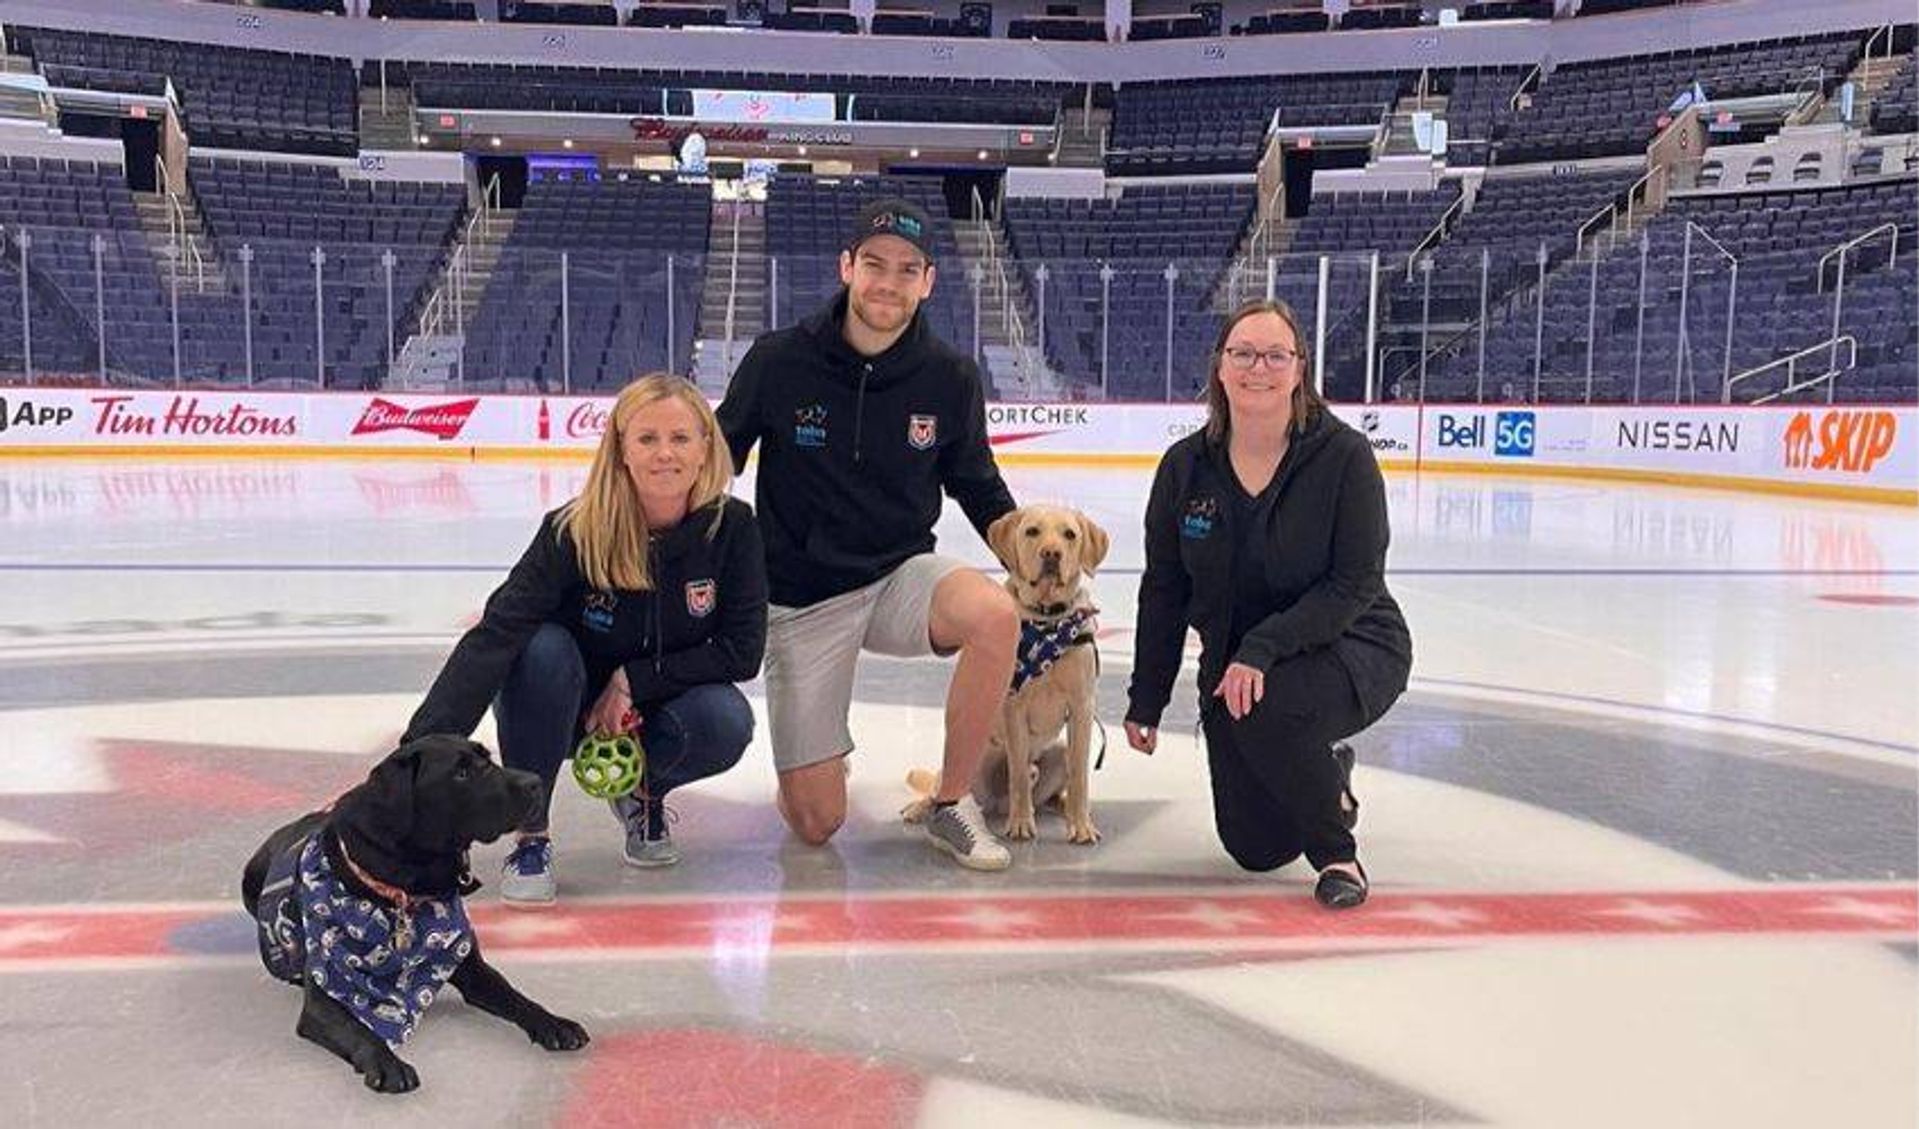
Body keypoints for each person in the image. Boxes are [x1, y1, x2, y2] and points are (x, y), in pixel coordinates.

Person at [716, 196, 1021, 871]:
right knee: (816, 823)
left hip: (899, 577)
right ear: (847, 267)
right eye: (875, 265)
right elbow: (716, 464)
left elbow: (976, 482)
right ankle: (819, 761)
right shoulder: (777, 360)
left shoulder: (949, 377)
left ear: (928, 280)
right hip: (802, 598)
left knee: (995, 614)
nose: (889, 282)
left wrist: (1029, 552)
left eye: (907, 269)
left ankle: (950, 801)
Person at [405, 374, 767, 906]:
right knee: (539, 647)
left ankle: (642, 793)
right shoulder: (574, 529)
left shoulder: (733, 527)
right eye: (647, 439)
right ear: (621, 449)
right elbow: (497, 634)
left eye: (680, 438)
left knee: (727, 720)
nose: (665, 454)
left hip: (652, 713)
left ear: (706, 446)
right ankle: (532, 834)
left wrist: (631, 682)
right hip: (560, 712)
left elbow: (742, 649)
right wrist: (416, 753)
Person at [1124, 300, 1412, 909]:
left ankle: (1338, 858)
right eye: (1244, 354)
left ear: (1299, 369)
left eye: (1276, 355)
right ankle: (1328, 777)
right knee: (1254, 848)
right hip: (1235, 664)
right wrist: (1146, 697)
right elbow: (1166, 588)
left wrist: (1262, 648)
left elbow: (1354, 583)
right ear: (1221, 370)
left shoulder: (1343, 456)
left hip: (1350, 643)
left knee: (1264, 707)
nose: (1260, 368)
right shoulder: (1185, 468)